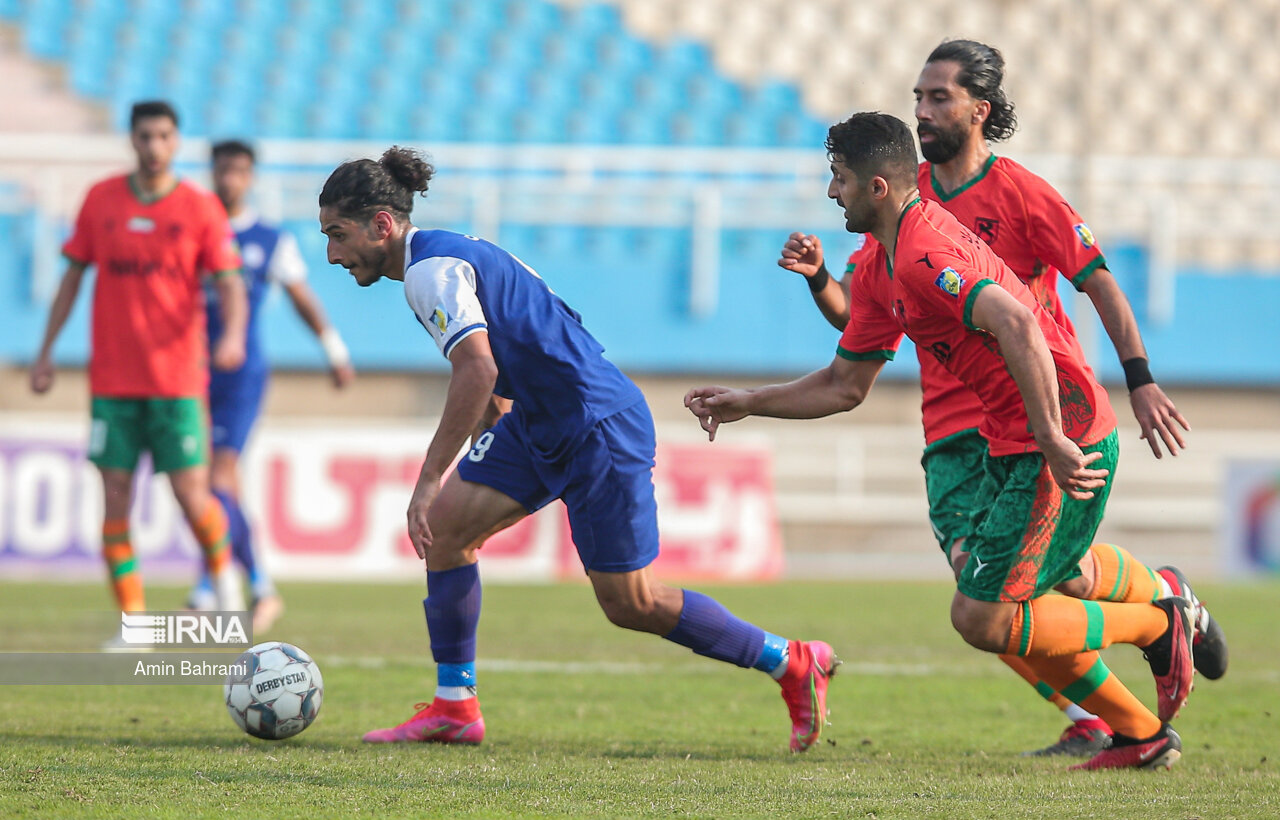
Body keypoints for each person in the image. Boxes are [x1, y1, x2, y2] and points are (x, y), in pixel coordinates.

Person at [688, 112, 1199, 771]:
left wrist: (1048, 433)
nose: (828, 193)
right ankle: (1142, 733)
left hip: (1057, 436)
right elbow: (846, 383)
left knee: (982, 617)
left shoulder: (927, 251)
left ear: (876, 186)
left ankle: (1160, 624)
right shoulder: (879, 265)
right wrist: (749, 404)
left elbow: (1017, 320)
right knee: (1050, 578)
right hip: (1010, 441)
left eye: (837, 179)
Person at [317, 147, 837, 751]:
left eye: (338, 233)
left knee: (631, 603)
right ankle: (455, 708)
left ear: (382, 224)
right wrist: (494, 421)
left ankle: (793, 661)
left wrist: (430, 475)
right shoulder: (446, 255)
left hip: (597, 426)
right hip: (541, 421)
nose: (332, 252)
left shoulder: (429, 272)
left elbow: (477, 367)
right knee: (448, 532)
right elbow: (510, 346)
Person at [28, 100, 247, 629]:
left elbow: (230, 281)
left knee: (192, 498)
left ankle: (226, 583)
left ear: (176, 142)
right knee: (116, 501)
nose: (154, 147)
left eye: (164, 136)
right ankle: (135, 625)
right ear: (132, 140)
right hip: (113, 382)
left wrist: (234, 335)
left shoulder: (199, 209)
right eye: (145, 136)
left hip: (176, 382)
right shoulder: (100, 201)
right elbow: (72, 278)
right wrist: (46, 351)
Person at [185, 139, 356, 633]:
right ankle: (212, 584)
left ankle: (257, 586)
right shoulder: (194, 230)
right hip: (190, 372)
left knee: (216, 480)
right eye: (222, 169)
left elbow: (301, 296)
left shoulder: (268, 238)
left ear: (251, 176)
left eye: (238, 170)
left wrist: (334, 350)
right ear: (212, 172)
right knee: (205, 486)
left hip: (241, 373)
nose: (229, 179)